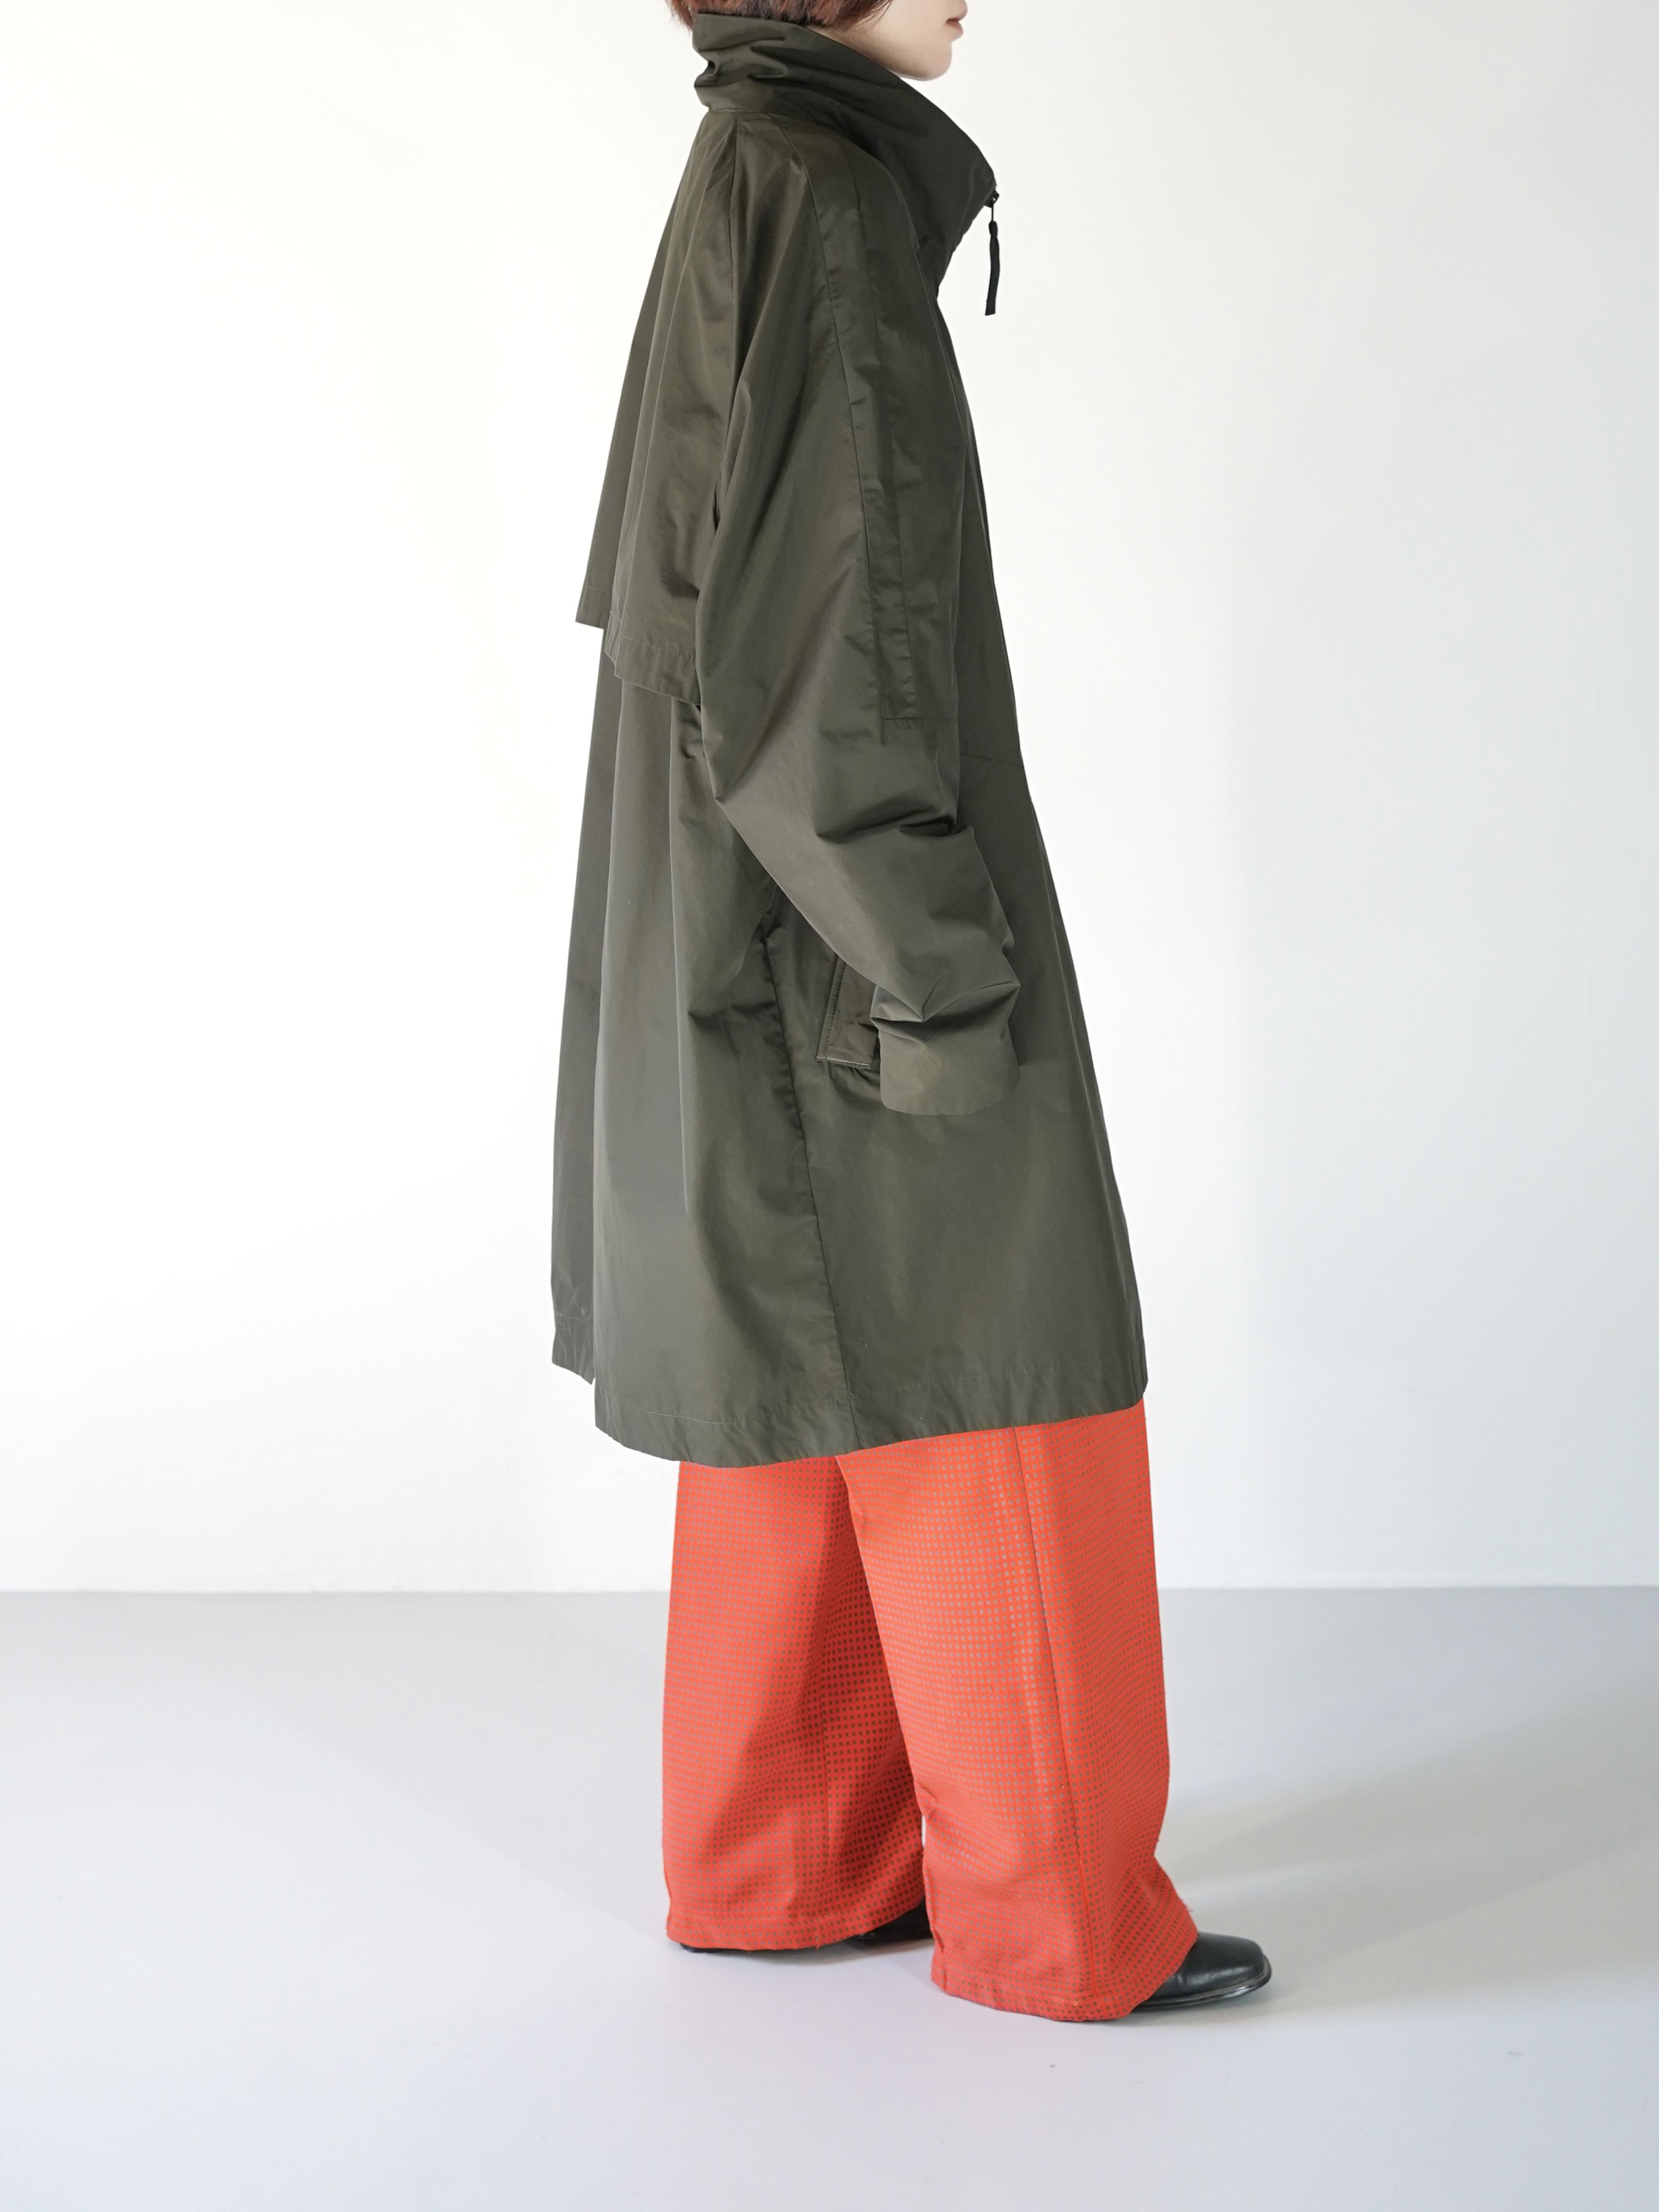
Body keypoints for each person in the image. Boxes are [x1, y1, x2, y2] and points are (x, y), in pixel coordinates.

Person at [551, 0, 1269, 2021]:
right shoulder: (830, 201)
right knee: (987, 1362)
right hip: (841, 941)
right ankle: (1056, 1921)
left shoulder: (750, 165)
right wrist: (944, 974)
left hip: (727, 944)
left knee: (791, 1374)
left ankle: (784, 1862)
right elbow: (825, 687)